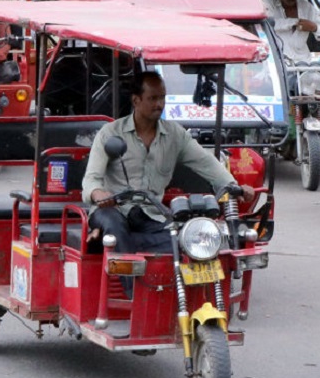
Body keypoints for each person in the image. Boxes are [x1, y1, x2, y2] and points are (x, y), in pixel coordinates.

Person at [82, 71, 255, 258]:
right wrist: (97, 193)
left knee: (186, 241)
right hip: (112, 210)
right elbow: (92, 178)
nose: (159, 104)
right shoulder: (110, 133)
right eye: (152, 98)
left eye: (162, 98)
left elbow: (206, 163)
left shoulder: (175, 135)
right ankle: (129, 287)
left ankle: (168, 284)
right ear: (136, 100)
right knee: (114, 227)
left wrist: (233, 186)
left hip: (152, 214)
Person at [264, 0, 320, 67]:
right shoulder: (268, 3)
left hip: (303, 63)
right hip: (276, 63)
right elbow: (267, 23)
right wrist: (295, 22)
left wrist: (314, 28)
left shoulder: (306, 6)